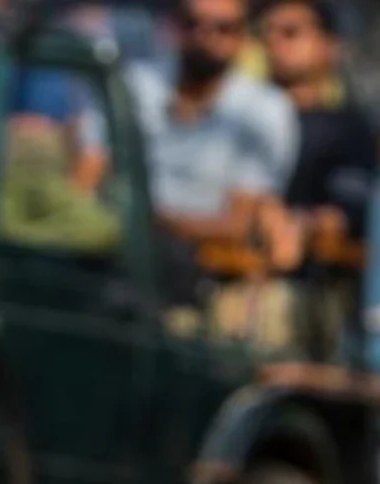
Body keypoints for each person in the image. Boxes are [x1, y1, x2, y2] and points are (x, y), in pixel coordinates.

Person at [124, 0, 302, 352]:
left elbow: (237, 223)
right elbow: (89, 173)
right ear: (174, 26)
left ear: (243, 37)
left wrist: (152, 219)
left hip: (197, 278)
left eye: (224, 28)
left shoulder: (264, 110)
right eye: (194, 24)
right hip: (117, 255)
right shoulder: (134, 83)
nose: (206, 37)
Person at [255, 0, 378, 363]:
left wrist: (301, 226)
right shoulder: (241, 119)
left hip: (308, 295)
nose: (276, 43)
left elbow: (347, 214)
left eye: (291, 33)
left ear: (329, 46)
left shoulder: (348, 129)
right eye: (268, 34)